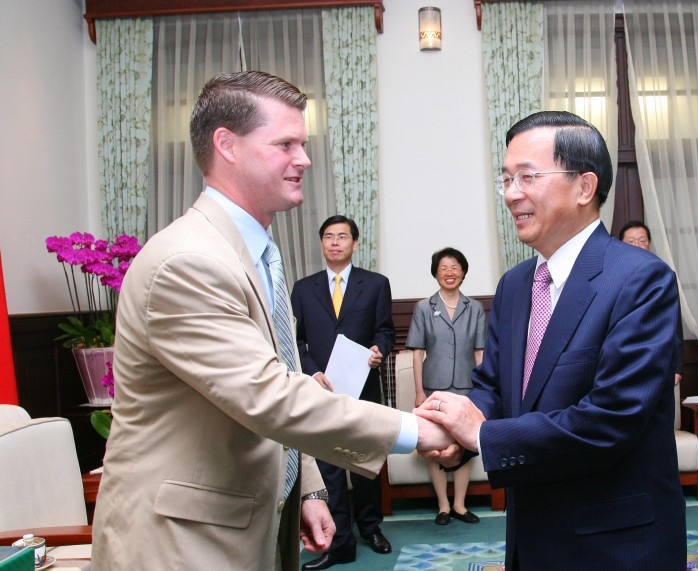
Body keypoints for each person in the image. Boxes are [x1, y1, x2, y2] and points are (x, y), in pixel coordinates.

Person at [90, 71, 452, 571]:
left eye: (303, 144)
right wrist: (417, 429)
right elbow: (269, 396)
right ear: (227, 145)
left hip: (251, 522)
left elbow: (279, 377)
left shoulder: (257, 254)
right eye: (285, 144)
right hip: (182, 542)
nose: (303, 159)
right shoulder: (190, 261)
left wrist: (306, 491)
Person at [416, 110, 686, 570]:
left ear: (584, 187)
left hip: (613, 543)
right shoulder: (515, 285)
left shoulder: (642, 280)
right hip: (531, 535)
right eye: (505, 179)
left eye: (527, 176)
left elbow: (612, 419)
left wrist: (479, 434)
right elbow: (494, 387)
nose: (511, 193)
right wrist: (455, 429)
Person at [290, 215, 395, 569]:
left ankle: (371, 527)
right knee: (328, 466)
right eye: (329, 237)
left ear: (355, 243)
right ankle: (338, 542)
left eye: (342, 237)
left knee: (364, 464)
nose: (335, 242)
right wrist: (312, 371)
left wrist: (379, 351)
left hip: (363, 387)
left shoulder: (376, 284)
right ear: (322, 244)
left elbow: (385, 331)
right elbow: (295, 340)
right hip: (320, 389)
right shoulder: (303, 289)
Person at [406, 247, 486, 526]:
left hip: (466, 386)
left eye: (455, 267)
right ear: (435, 273)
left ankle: (460, 505)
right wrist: (418, 391)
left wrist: (483, 390)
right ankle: (442, 506)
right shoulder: (423, 308)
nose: (449, 272)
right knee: (435, 444)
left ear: (463, 272)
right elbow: (416, 352)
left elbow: (480, 352)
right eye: (444, 268)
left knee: (463, 445)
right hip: (433, 387)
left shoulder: (474, 308)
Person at [619, 219, 684, 385]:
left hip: (658, 361)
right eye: (631, 242)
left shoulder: (664, 275)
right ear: (620, 245)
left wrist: (677, 366)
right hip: (621, 362)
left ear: (649, 244)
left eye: (642, 241)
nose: (637, 246)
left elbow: (674, 323)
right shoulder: (612, 278)